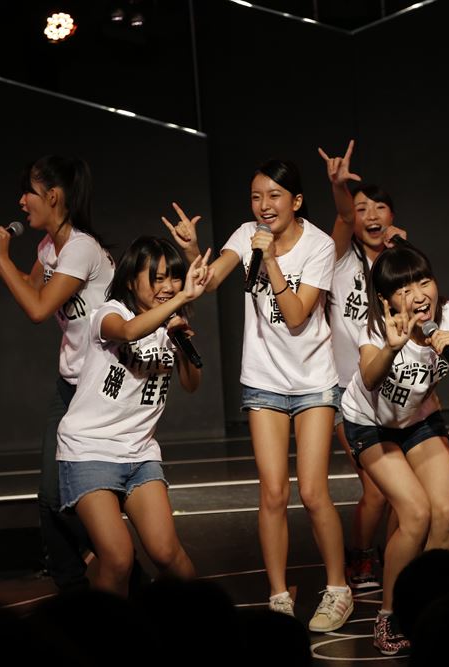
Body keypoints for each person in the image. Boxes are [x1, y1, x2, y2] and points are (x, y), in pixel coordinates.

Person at [162, 159, 353, 632]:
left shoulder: (318, 245)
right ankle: (278, 595)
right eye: (256, 196)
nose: (263, 206)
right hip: (264, 379)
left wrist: (268, 260)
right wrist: (192, 253)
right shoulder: (246, 233)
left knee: (313, 491)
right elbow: (209, 282)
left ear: (296, 201)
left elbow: (297, 315)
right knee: (272, 492)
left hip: (312, 381)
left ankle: (338, 589)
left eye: (273, 195)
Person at [0, 156, 114, 591]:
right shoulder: (50, 247)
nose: (21, 201)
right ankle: (77, 584)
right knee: (50, 496)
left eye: (28, 192)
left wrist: (2, 255)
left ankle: (117, 567)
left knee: (67, 497)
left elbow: (38, 309)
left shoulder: (81, 248)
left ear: (53, 196)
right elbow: (31, 288)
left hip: (98, 391)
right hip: (70, 385)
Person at [340, 242, 449, 654]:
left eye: (424, 282)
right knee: (416, 513)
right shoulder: (375, 325)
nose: (419, 295)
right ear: (386, 300)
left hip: (419, 420)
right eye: (404, 289)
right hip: (369, 423)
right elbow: (370, 379)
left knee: (445, 512)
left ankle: (430, 604)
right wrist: (392, 346)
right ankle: (390, 614)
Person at [56, 237, 211, 596]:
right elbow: (128, 332)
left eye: (173, 277)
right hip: (89, 450)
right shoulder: (109, 314)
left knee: (166, 552)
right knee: (118, 558)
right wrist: (181, 299)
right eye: (157, 278)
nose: (168, 286)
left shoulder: (171, 322)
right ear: (130, 280)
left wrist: (183, 342)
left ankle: (206, 621)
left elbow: (191, 384)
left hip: (140, 453)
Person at [318, 139, 407, 590]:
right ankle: (362, 555)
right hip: (347, 393)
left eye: (380, 207)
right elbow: (341, 217)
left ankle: (392, 555)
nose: (371, 215)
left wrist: (402, 255)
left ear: (393, 216)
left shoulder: (400, 261)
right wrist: (340, 187)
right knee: (376, 488)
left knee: (400, 490)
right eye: (362, 208)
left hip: (394, 390)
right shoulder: (335, 258)